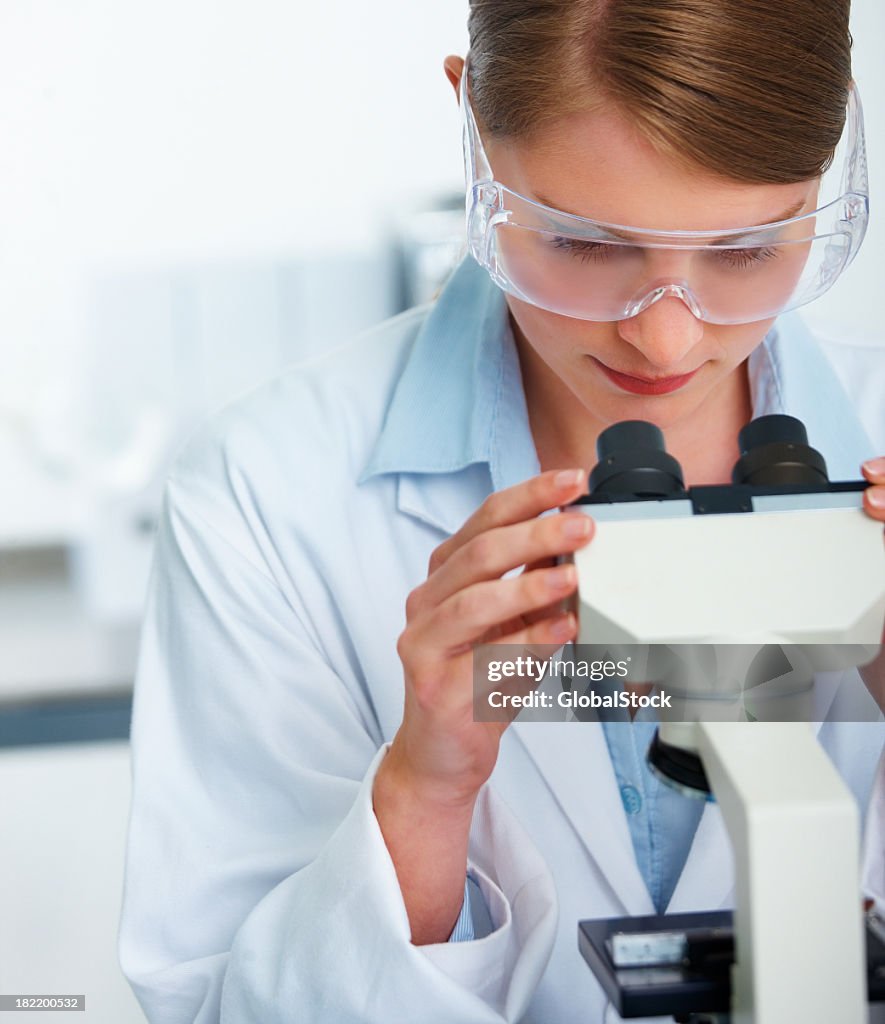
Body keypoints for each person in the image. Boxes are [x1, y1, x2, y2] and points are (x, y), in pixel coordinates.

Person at [118, 2, 885, 1021]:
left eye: (746, 250)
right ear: (474, 128)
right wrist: (425, 794)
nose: (665, 341)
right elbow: (216, 1008)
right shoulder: (267, 490)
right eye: (582, 240)